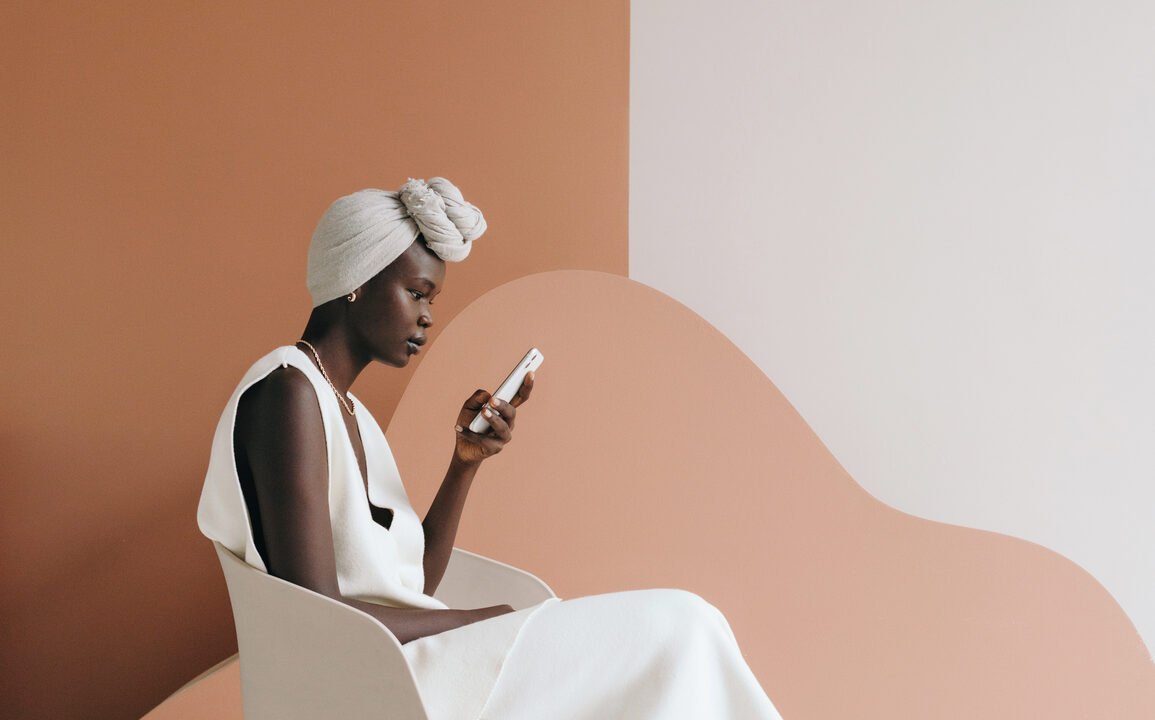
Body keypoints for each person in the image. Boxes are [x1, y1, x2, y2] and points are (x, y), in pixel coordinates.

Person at [198, 177, 783, 719]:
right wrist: (479, 621)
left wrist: (463, 464)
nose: (426, 318)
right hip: (391, 681)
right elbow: (319, 620)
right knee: (685, 623)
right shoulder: (288, 394)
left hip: (423, 662)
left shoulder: (349, 411)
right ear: (356, 280)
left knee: (683, 641)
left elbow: (412, 587)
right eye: (417, 293)